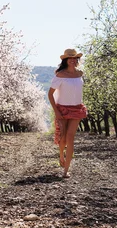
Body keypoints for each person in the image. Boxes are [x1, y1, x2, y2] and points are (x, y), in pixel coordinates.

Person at [48, 48, 87, 178]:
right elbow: (50, 94)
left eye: (74, 58)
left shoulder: (80, 73)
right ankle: (61, 155)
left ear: (77, 60)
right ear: (65, 60)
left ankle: (66, 170)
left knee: (70, 138)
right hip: (62, 109)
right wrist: (56, 111)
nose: (72, 60)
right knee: (63, 137)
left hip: (76, 108)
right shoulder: (60, 75)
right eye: (69, 58)